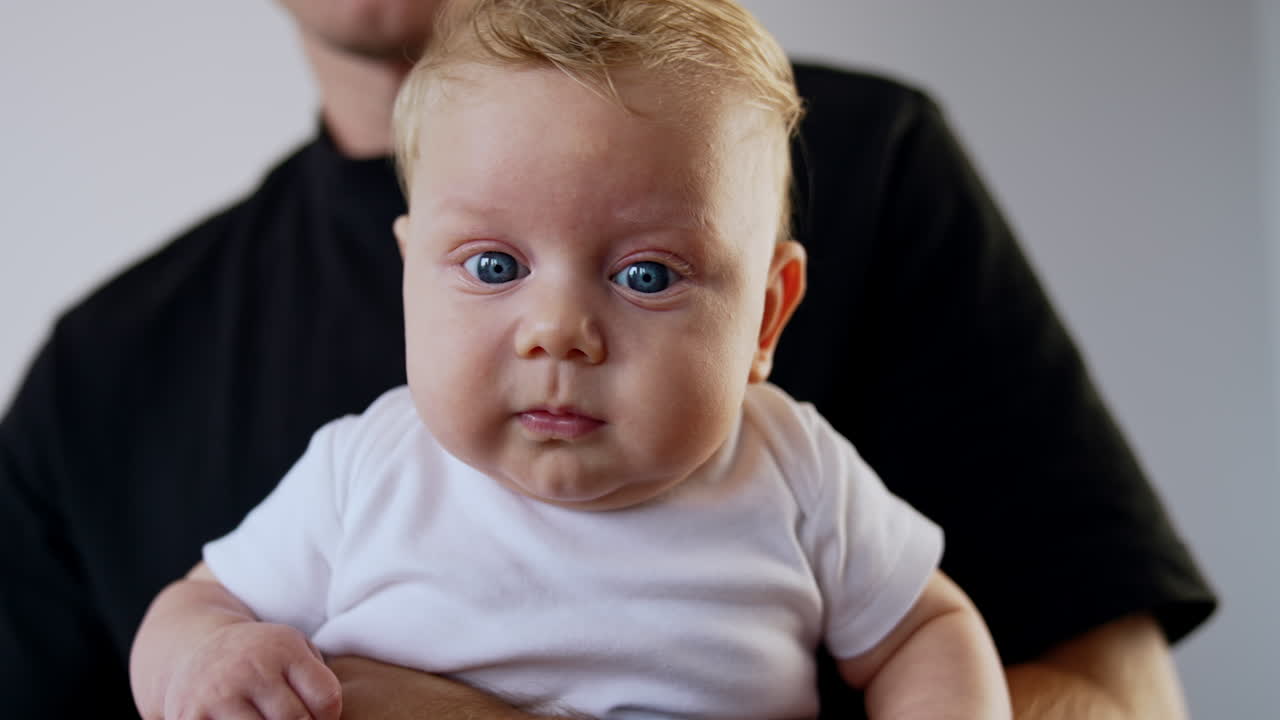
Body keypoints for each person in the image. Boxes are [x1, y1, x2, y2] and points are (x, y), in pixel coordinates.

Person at [0, 0, 1215, 717]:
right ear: (410, 264)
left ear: (766, 319)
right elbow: (200, 607)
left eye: (647, 278)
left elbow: (933, 632)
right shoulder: (345, 459)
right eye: (489, 268)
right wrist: (209, 656)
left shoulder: (793, 458)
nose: (557, 333)